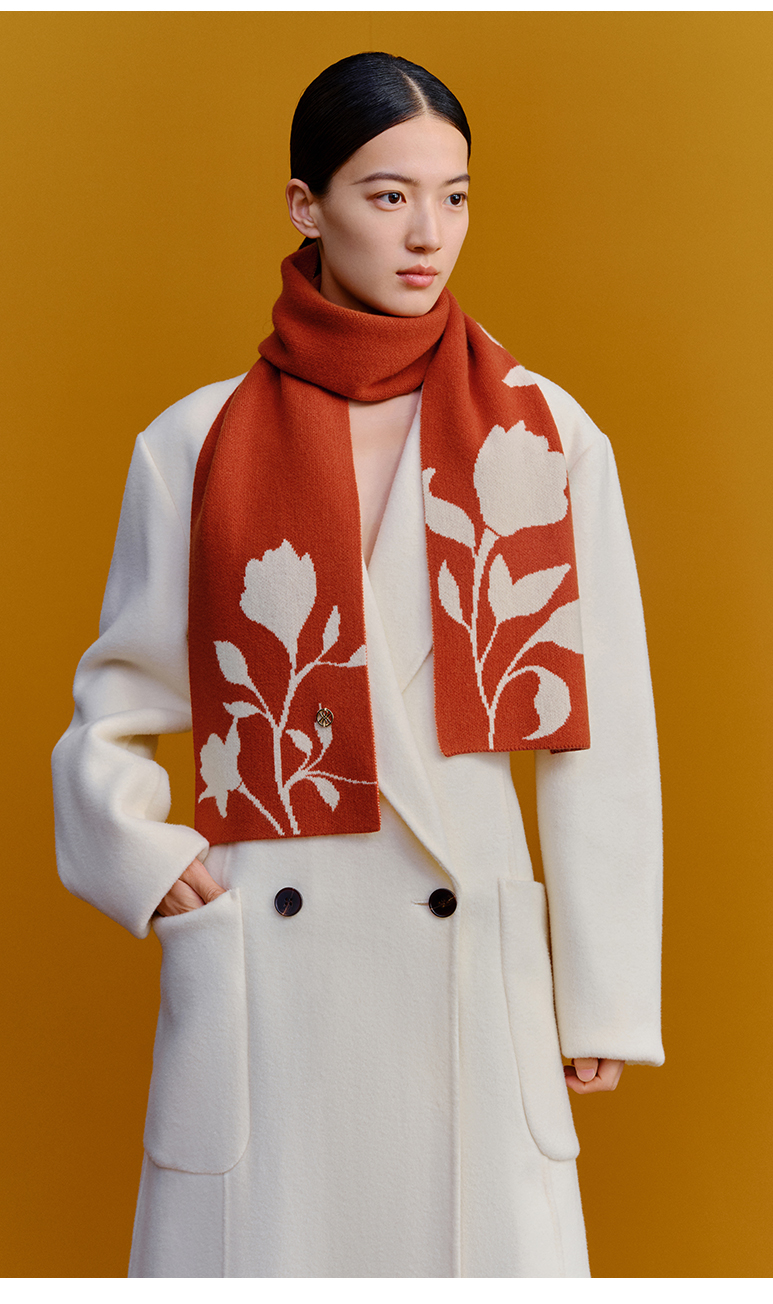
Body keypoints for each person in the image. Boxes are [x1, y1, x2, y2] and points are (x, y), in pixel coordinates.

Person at [51, 52, 663, 1278]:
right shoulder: (193, 442)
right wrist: (155, 864)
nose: (428, 234)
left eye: (453, 195)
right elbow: (114, 704)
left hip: (468, 963)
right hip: (272, 963)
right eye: (388, 196)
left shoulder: (546, 434)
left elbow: (599, 734)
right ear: (306, 205)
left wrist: (597, 987)